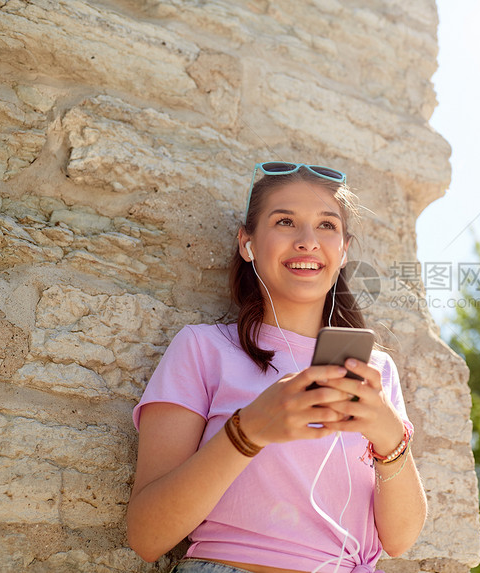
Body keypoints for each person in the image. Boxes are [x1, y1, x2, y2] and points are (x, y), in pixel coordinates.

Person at [126, 162, 427, 573]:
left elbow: (400, 539)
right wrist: (248, 431)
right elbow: (146, 536)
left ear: (343, 252)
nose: (308, 241)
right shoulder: (203, 348)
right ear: (247, 243)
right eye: (286, 221)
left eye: (327, 225)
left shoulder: (374, 370)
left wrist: (390, 438)